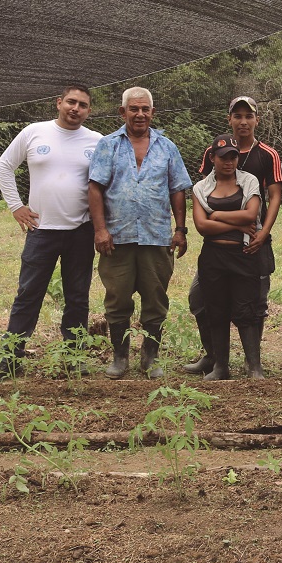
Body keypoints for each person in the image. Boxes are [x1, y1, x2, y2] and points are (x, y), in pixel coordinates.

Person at [0, 85, 103, 381]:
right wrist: (16, 206)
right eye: (71, 102)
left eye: (83, 105)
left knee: (77, 297)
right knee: (28, 294)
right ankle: (10, 359)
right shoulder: (34, 132)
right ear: (59, 103)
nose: (76, 109)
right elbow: (4, 166)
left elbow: (105, 183)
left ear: (89, 111)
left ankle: (74, 357)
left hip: (81, 230)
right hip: (41, 231)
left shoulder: (97, 141)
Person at [87, 87, 191, 380]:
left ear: (152, 113)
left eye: (145, 109)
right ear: (123, 112)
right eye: (134, 109)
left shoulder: (167, 147)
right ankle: (119, 358)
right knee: (117, 299)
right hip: (116, 238)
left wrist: (180, 229)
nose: (140, 114)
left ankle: (150, 357)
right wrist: (100, 230)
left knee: (156, 299)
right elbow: (95, 189)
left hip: (156, 236)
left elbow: (177, 190)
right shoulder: (108, 145)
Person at [183, 96, 282, 378]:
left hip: (253, 244)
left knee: (252, 302)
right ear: (229, 119)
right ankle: (215, 359)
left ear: (256, 120)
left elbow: (272, 197)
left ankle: (254, 364)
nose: (243, 121)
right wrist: (228, 221)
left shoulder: (266, 155)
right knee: (202, 299)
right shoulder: (210, 156)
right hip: (214, 252)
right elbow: (203, 205)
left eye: (248, 116)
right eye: (237, 116)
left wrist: (263, 231)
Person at [190, 136, 266, 381]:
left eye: (233, 156)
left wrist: (216, 216)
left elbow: (251, 215)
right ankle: (221, 367)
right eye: (223, 157)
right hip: (213, 256)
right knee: (216, 310)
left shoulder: (248, 181)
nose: (229, 161)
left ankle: (255, 367)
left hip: (243, 255)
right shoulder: (201, 188)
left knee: (247, 310)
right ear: (212, 158)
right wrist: (235, 221)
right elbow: (201, 226)